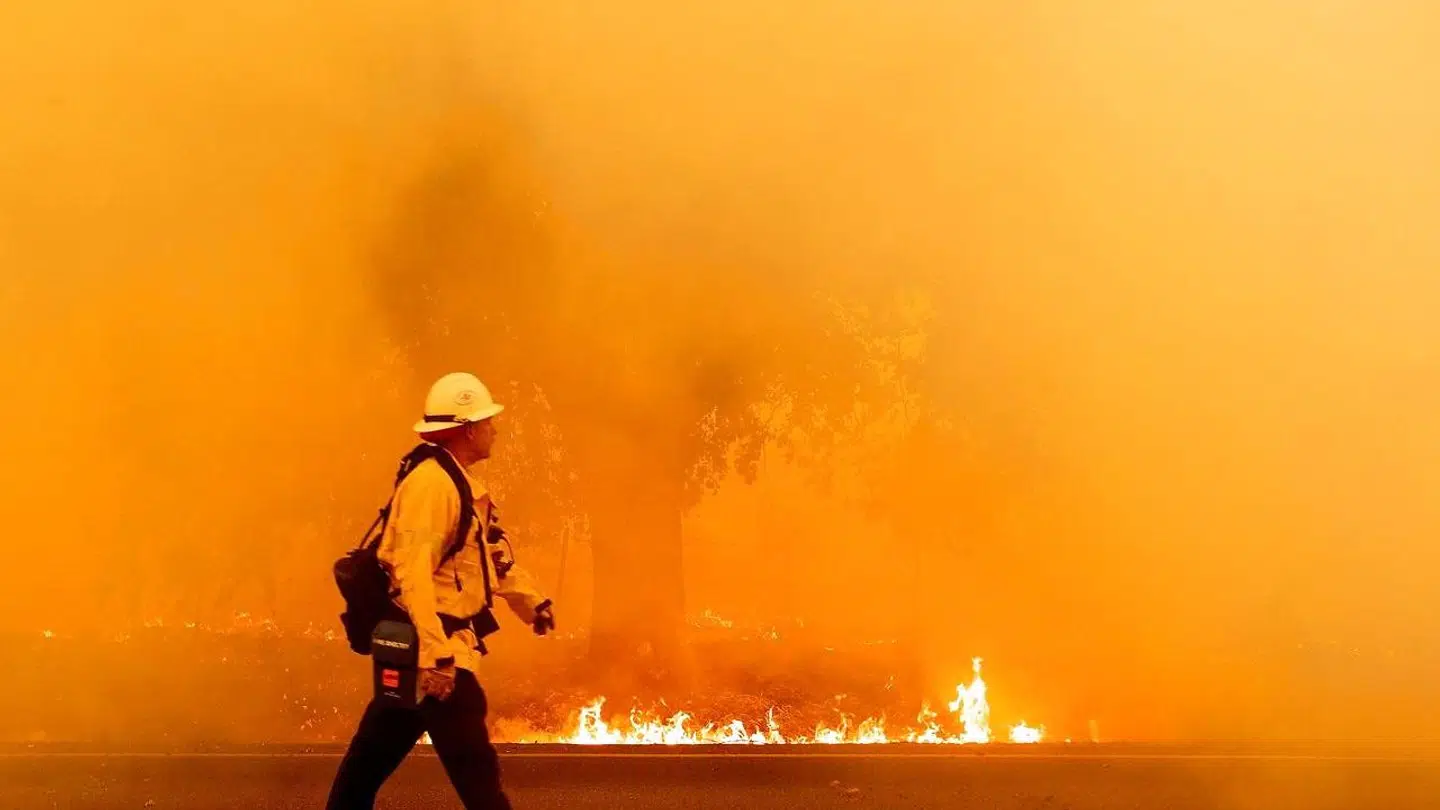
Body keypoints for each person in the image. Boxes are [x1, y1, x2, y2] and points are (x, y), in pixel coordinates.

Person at [326, 372, 555, 810]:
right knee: (479, 780)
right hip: (433, 652)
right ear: (468, 429)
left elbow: (485, 560)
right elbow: (413, 574)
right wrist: (435, 657)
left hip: (410, 648)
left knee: (368, 764)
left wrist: (533, 603)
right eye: (487, 421)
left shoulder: (456, 484)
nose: (494, 429)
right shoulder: (432, 486)